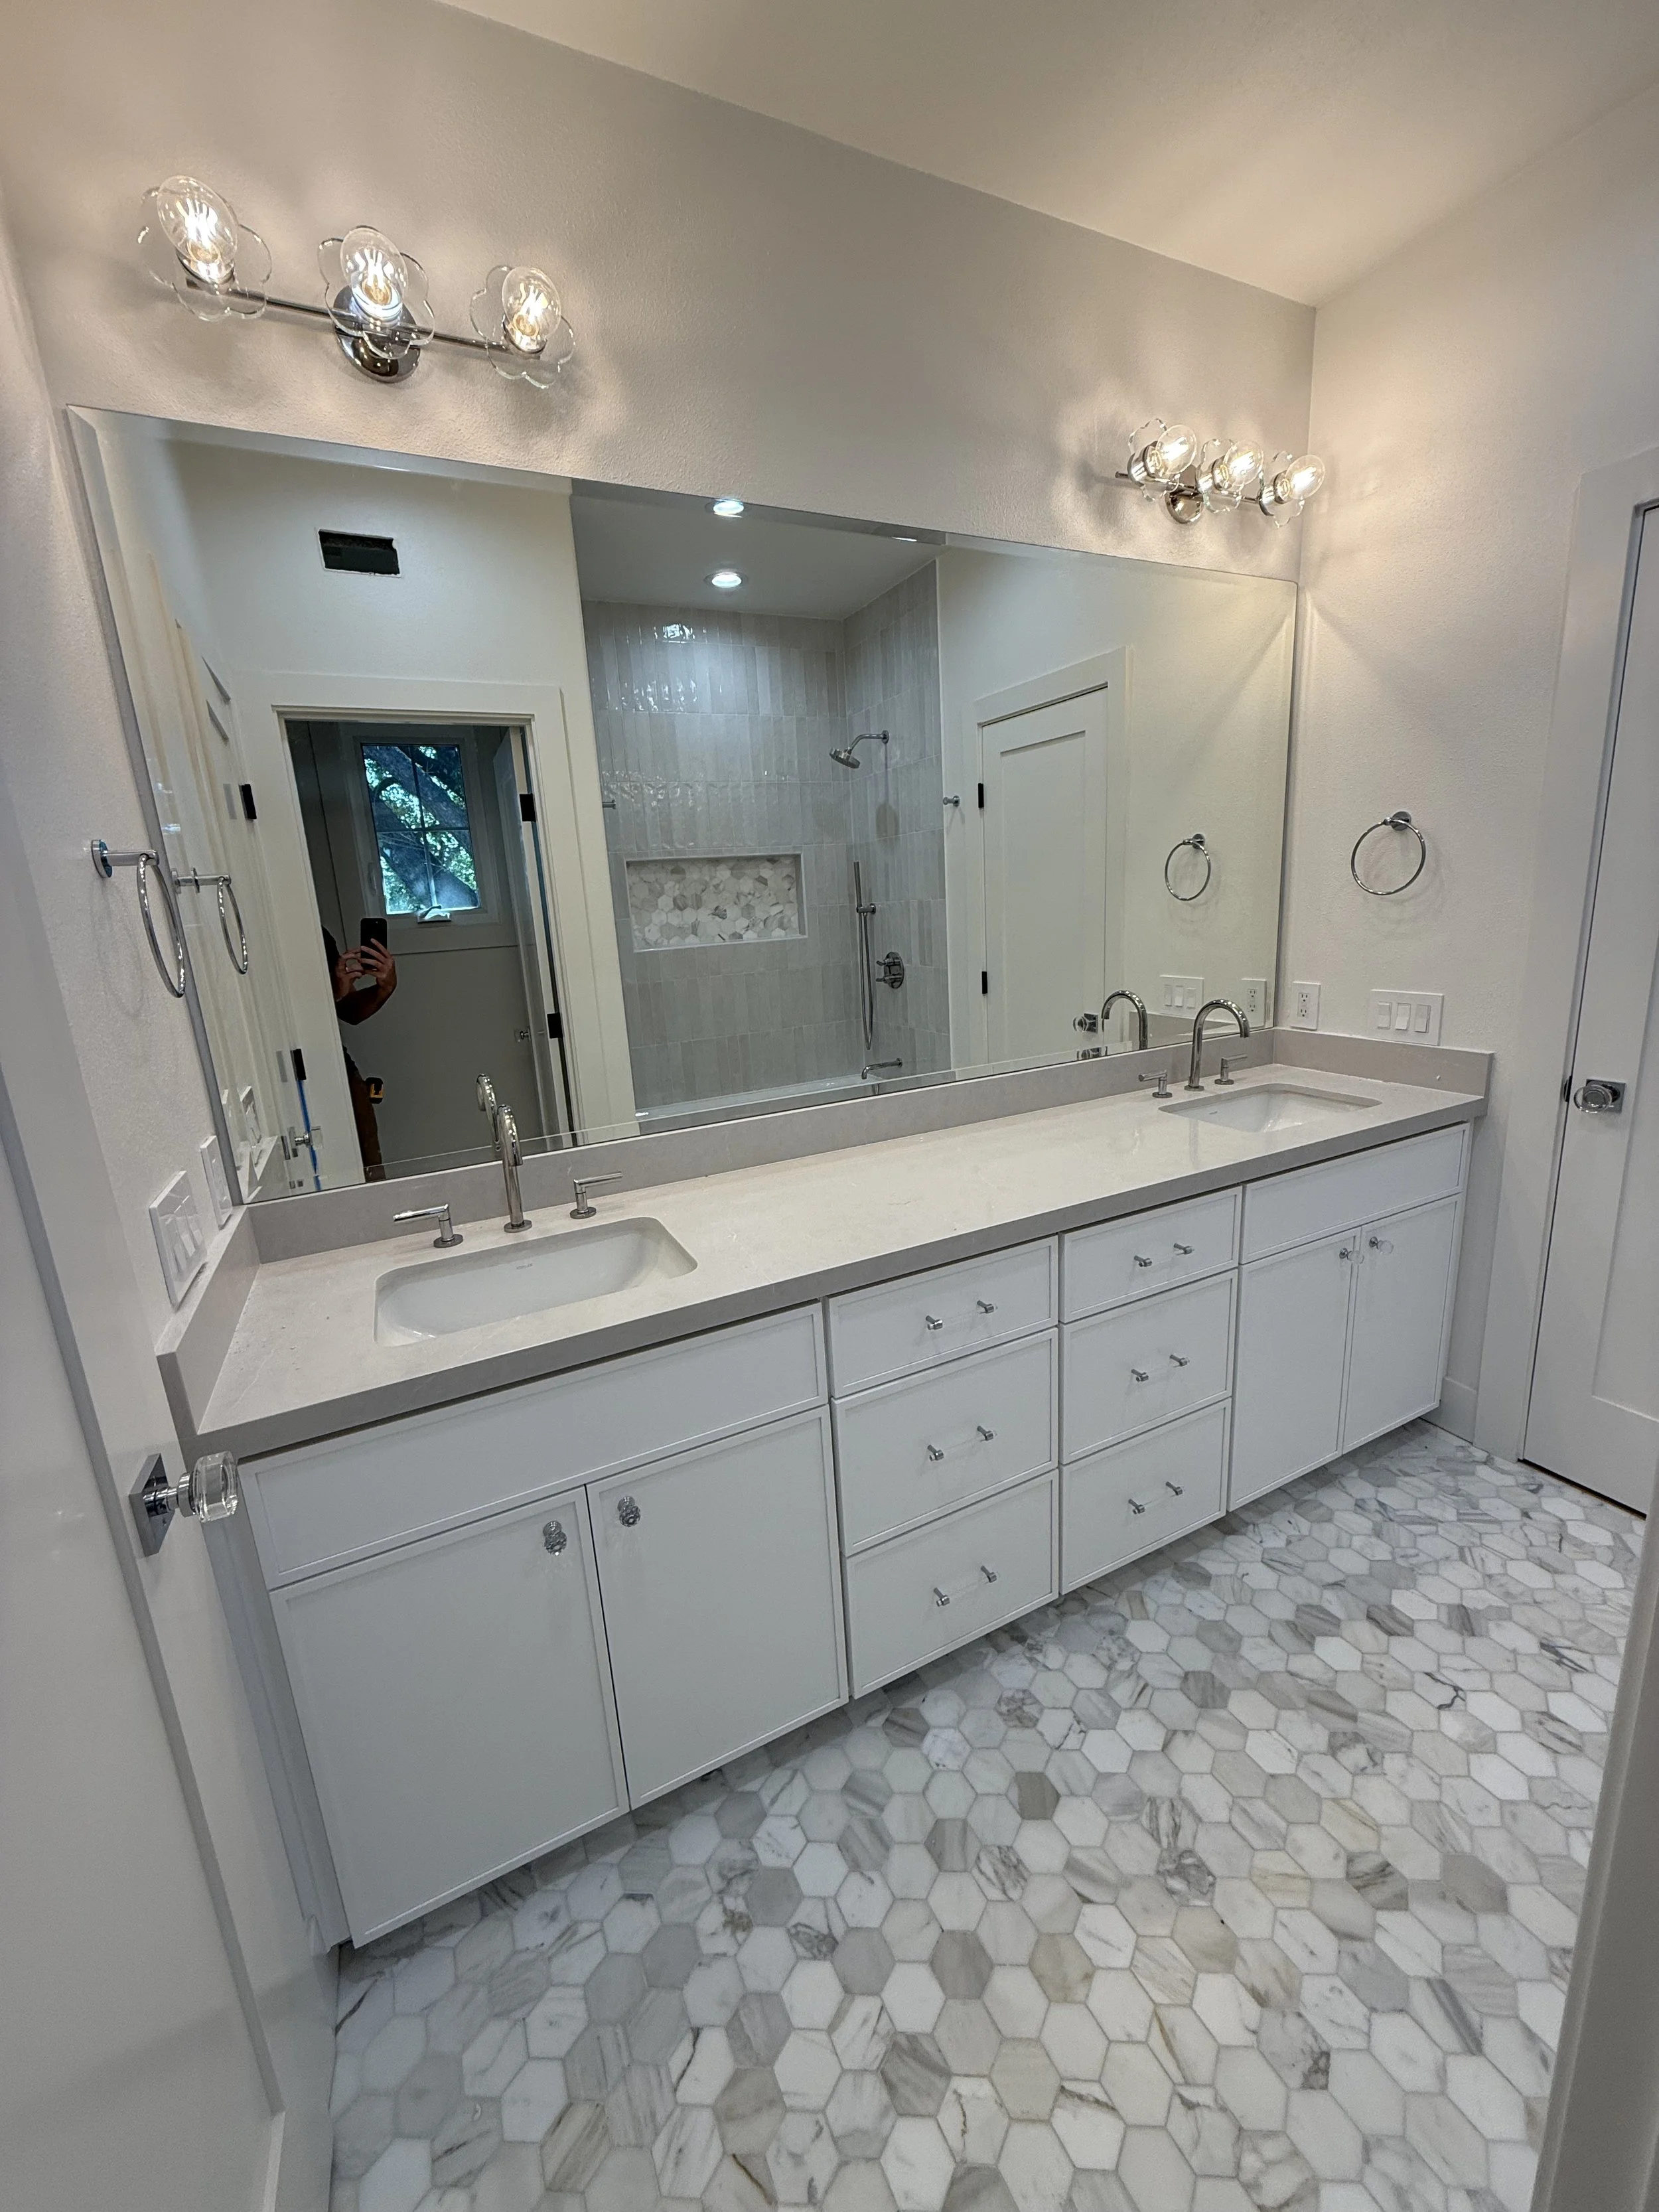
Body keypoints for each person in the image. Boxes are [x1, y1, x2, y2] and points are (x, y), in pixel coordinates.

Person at [323, 926, 397, 1179]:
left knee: (369, 1171)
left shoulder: (318, 934)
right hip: (293, 1073)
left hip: (339, 1066)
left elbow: (349, 1010)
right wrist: (334, 994)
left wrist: (385, 988)